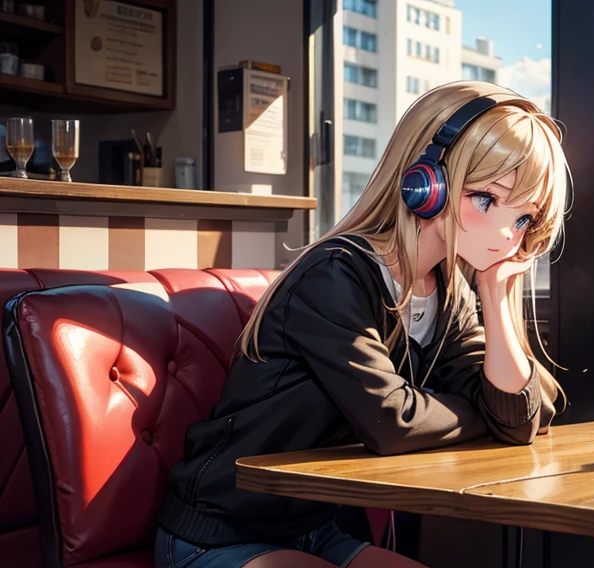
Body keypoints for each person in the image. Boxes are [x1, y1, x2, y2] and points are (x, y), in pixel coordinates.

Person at [154, 81, 570, 568]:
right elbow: (391, 422)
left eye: (523, 218)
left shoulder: (449, 288)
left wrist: (495, 299)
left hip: (315, 531)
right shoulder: (335, 274)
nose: (506, 233)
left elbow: (521, 418)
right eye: (485, 198)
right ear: (425, 183)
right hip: (219, 534)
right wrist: (484, 413)